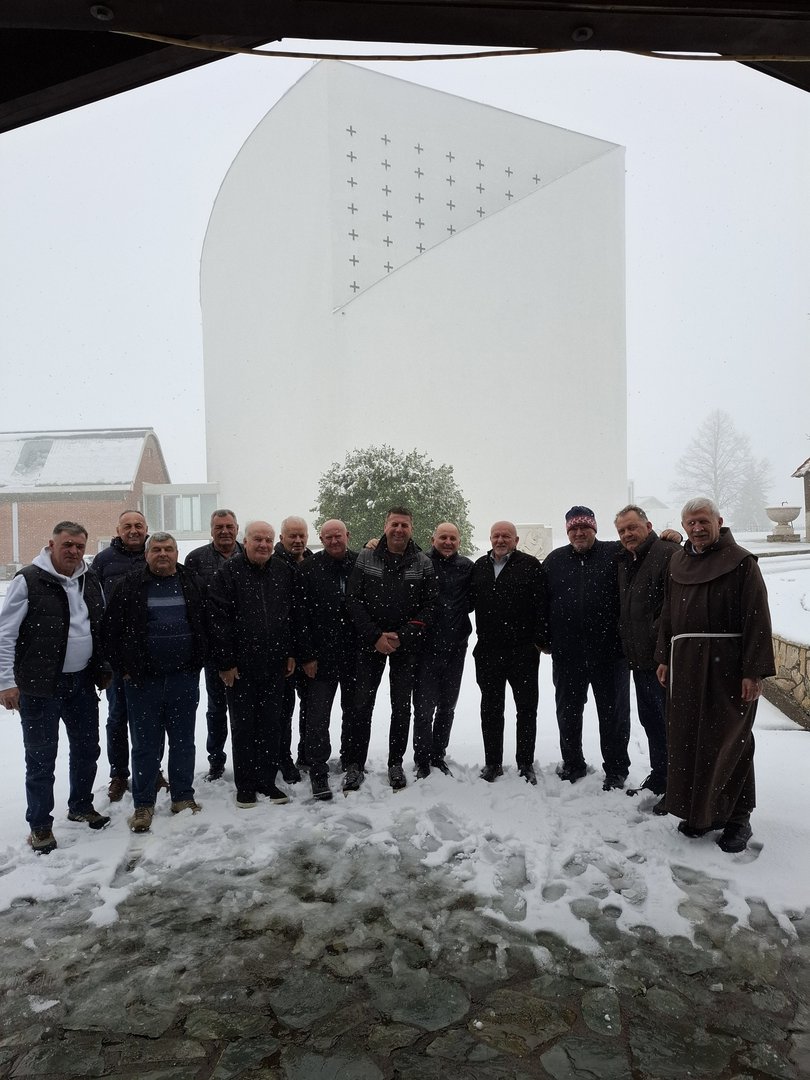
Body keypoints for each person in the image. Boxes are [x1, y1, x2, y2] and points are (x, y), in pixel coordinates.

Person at [655, 498, 775, 853]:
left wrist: (753, 672)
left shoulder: (741, 562)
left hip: (728, 667)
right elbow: (668, 612)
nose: (697, 528)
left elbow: (757, 617)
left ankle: (738, 817)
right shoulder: (678, 562)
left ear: (718, 521)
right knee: (691, 740)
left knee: (730, 740)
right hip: (685, 665)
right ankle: (703, 814)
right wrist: (663, 657)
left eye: (703, 521)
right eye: (690, 522)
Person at [0, 521, 111, 853]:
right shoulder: (29, 580)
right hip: (40, 687)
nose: (73, 551)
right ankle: (40, 826)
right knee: (41, 758)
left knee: (87, 749)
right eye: (67, 545)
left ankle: (80, 805)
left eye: (79, 546)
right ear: (51, 545)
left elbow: (99, 627)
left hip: (82, 682)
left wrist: (103, 667)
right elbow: (5, 634)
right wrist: (6, 682)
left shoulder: (90, 579)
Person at [103, 532, 207, 834]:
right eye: (157, 549)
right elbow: (110, 631)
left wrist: (198, 660)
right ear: (147, 554)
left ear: (177, 553)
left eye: (168, 549)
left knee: (183, 742)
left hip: (183, 677)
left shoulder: (191, 582)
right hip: (142, 681)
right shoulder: (130, 585)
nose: (163, 554)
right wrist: (123, 668)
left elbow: (204, 623)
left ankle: (182, 797)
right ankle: (144, 804)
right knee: (145, 745)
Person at [344, 506, 438, 792]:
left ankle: (395, 763)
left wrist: (402, 635)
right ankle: (355, 764)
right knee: (361, 706)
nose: (399, 530)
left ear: (412, 529)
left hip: (405, 646)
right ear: (385, 526)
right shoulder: (366, 557)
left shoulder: (422, 562)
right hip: (369, 644)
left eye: (404, 525)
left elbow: (430, 605)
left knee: (401, 707)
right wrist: (375, 635)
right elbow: (353, 599)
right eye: (394, 524)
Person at [208, 521, 299, 808]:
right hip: (241, 666)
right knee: (244, 726)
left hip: (275, 663)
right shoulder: (228, 573)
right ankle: (245, 785)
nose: (263, 545)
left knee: (272, 724)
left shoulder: (283, 571)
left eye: (268, 540)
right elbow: (218, 620)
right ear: (244, 542)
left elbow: (292, 615)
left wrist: (291, 652)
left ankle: (267, 780)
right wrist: (226, 662)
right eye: (257, 539)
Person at [543, 506, 631, 790]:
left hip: (610, 654)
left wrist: (670, 537)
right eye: (573, 529)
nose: (579, 533)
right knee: (568, 713)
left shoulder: (616, 553)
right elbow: (541, 602)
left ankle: (616, 769)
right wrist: (544, 638)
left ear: (594, 528)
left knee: (614, 715)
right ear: (568, 532)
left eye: (585, 528)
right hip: (568, 654)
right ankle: (572, 763)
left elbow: (647, 551)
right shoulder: (555, 560)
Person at [470, 521, 547, 784]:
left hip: (522, 651)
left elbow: (542, 605)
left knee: (526, 708)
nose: (500, 540)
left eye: (506, 536)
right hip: (488, 651)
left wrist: (539, 640)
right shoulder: (480, 566)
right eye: (496, 536)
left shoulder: (530, 566)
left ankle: (525, 762)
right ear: (490, 539)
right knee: (491, 708)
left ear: (516, 540)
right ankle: (493, 763)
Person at [614, 504, 679, 803]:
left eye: (632, 527)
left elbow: (673, 607)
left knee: (670, 725)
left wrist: (660, 647)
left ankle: (676, 786)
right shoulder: (625, 558)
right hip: (639, 660)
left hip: (662, 660)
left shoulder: (668, 553)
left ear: (649, 526)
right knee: (651, 722)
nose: (627, 534)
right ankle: (660, 776)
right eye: (622, 530)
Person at [296, 519, 359, 800]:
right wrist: (307, 655)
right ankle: (318, 769)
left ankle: (351, 760)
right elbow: (300, 616)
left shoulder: (360, 563)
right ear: (321, 540)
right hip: (320, 657)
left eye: (338, 536)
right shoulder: (308, 568)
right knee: (317, 717)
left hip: (355, 654)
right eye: (328, 537)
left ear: (347, 536)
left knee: (354, 712)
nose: (334, 541)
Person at [91, 509, 148, 801]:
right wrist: (102, 658)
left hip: (149, 655)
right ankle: (119, 774)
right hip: (115, 656)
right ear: (118, 530)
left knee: (149, 718)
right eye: (127, 526)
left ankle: (151, 770)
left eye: (139, 525)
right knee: (117, 717)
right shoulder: (103, 561)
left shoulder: (156, 553)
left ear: (146, 528)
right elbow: (93, 608)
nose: (133, 530)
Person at [184, 508, 243, 782]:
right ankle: (216, 760)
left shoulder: (248, 554)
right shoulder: (196, 559)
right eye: (219, 527)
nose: (225, 531)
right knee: (217, 709)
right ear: (211, 530)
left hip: (246, 647)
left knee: (246, 709)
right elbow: (193, 604)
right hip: (213, 648)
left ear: (237, 529)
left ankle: (248, 757)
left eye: (229, 526)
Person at [413, 522, 474, 776]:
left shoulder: (467, 567)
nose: (448, 542)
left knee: (447, 706)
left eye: (452, 538)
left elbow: (472, 601)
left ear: (459, 541)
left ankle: (438, 755)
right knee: (424, 708)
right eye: (443, 538)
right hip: (425, 648)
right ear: (433, 539)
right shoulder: (420, 562)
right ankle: (422, 759)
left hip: (455, 647)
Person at [273, 516, 314, 783]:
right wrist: (288, 650)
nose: (298, 541)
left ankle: (306, 755)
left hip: (310, 649)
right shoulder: (273, 565)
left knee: (310, 706)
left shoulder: (312, 562)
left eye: (302, 536)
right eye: (292, 536)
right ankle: (282, 758)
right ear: (282, 538)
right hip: (284, 651)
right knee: (283, 710)